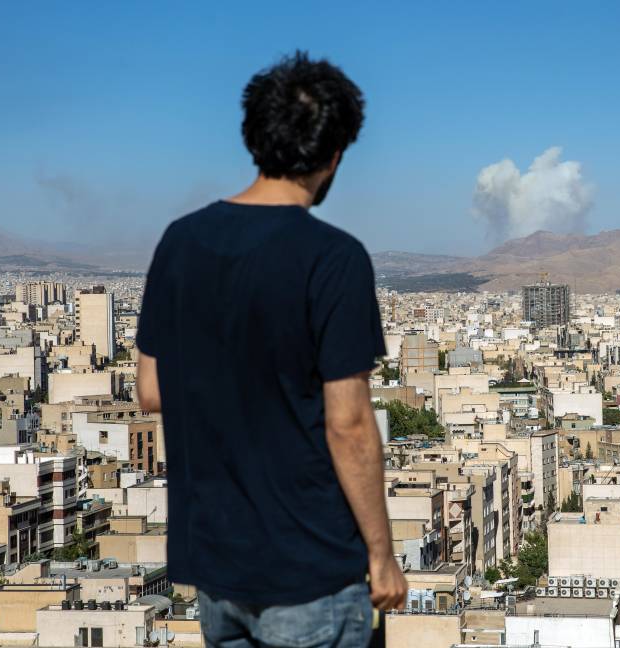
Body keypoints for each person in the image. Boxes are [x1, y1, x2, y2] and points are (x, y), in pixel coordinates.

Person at [136, 52, 407, 648]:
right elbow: (350, 423)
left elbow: (151, 390)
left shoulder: (180, 243)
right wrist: (382, 555)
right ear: (335, 155)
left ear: (254, 138)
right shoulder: (333, 258)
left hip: (216, 563)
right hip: (308, 565)